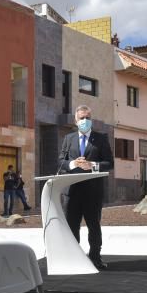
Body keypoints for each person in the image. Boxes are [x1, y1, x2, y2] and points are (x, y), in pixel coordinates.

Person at [58, 105, 114, 271]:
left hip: (93, 192)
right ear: (76, 121)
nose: (85, 121)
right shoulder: (69, 139)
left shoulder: (101, 138)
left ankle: (95, 258)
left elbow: (109, 163)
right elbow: (60, 161)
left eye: (88, 117)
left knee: (94, 226)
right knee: (71, 227)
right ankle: (73, 257)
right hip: (72, 192)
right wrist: (73, 163)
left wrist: (92, 165)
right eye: (81, 118)